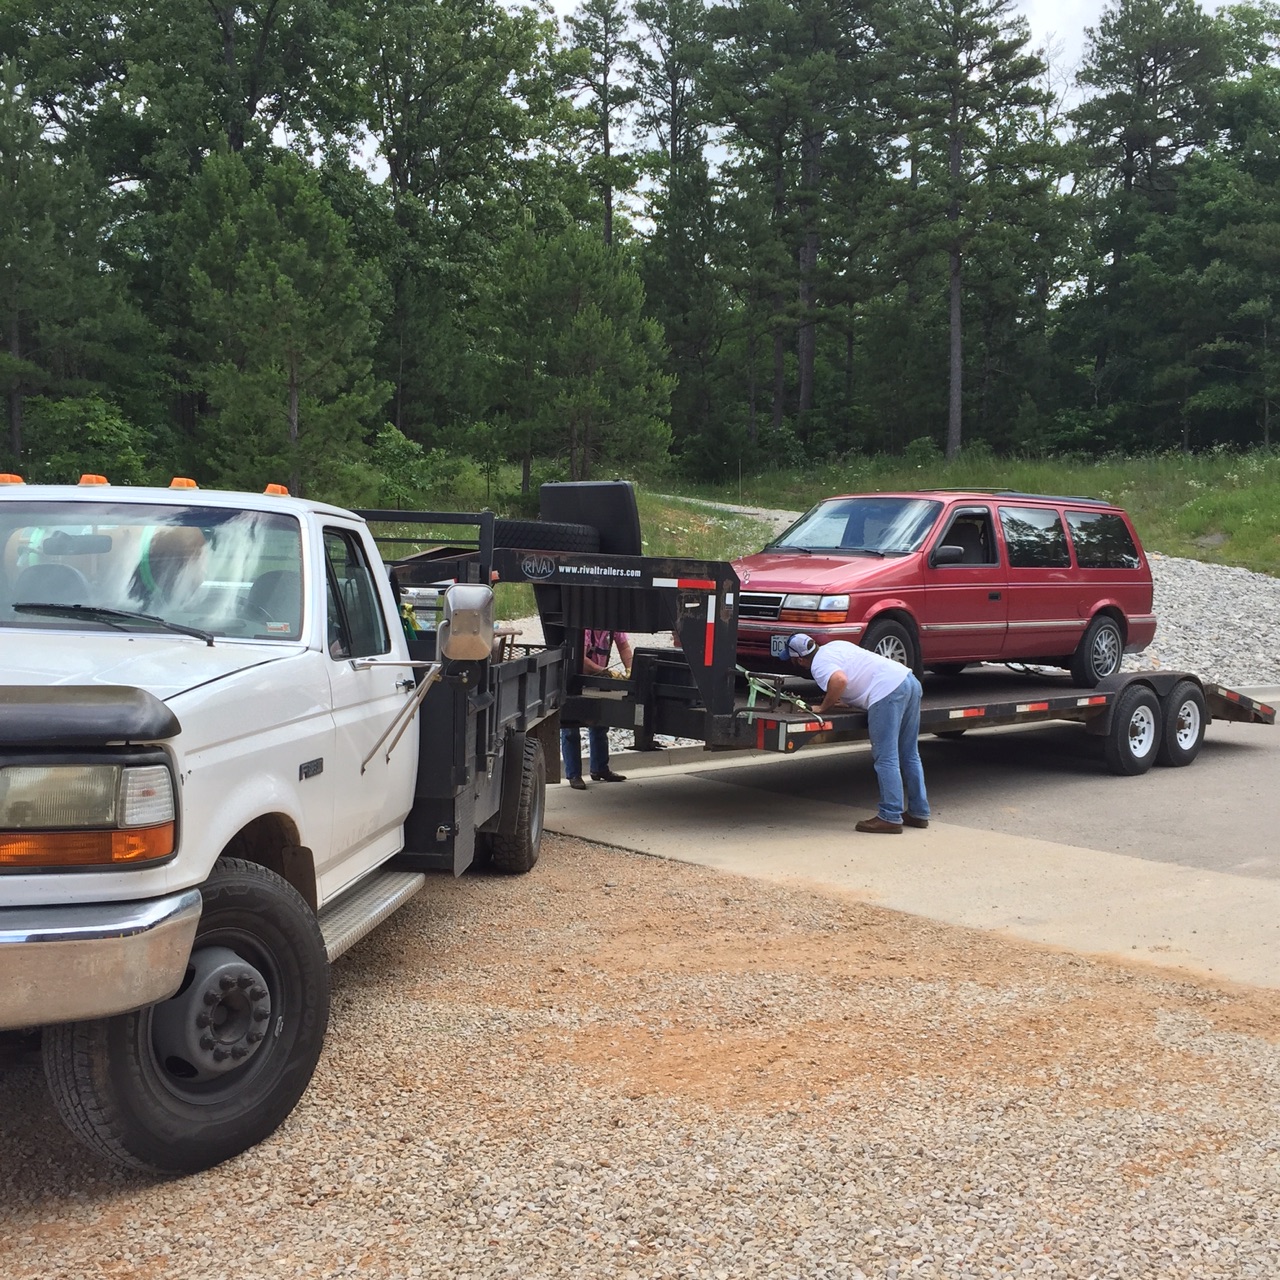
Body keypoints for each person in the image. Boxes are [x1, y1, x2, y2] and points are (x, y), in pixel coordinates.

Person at [786, 632, 930, 834]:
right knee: (909, 753)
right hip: (908, 680)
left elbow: (840, 680)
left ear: (799, 659)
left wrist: (823, 707)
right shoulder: (835, 646)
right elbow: (857, 673)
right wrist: (846, 701)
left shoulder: (818, 666)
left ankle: (890, 816)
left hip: (887, 691)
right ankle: (918, 812)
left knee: (886, 757)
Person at [561, 628, 634, 790]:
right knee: (571, 727)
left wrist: (630, 670)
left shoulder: (613, 628)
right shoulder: (585, 630)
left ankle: (600, 769)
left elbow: (624, 648)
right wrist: (605, 672)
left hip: (596, 678)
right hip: (573, 679)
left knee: (600, 721)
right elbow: (581, 661)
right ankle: (574, 774)